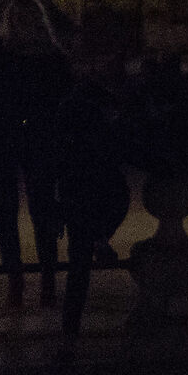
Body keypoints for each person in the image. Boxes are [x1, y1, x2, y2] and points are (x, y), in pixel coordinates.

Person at [0, 0, 72, 309]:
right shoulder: (54, 57)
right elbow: (64, 96)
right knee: (41, 210)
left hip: (2, 134)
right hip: (40, 136)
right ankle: (48, 281)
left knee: (5, 212)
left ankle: (16, 280)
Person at [53, 72, 131, 352]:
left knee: (78, 268)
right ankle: (100, 238)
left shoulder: (69, 124)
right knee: (80, 266)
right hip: (93, 194)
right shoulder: (98, 130)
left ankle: (69, 331)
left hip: (77, 196)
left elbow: (60, 167)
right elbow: (119, 195)